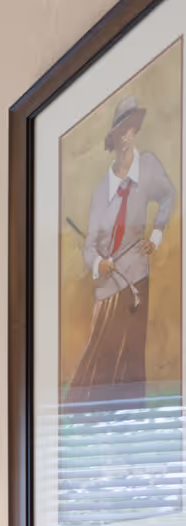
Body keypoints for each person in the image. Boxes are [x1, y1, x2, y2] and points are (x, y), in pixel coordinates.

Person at [71, 94, 177, 403]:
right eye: (121, 131)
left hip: (135, 283)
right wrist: (97, 264)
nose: (126, 136)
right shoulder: (100, 189)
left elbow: (169, 195)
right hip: (107, 287)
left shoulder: (149, 167)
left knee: (130, 357)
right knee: (99, 363)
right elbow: (89, 246)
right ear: (114, 138)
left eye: (131, 129)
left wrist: (156, 234)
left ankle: (129, 416)